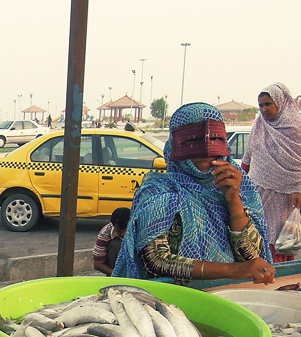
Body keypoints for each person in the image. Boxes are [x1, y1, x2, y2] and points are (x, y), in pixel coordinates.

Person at [113, 102, 275, 284]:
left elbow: (252, 259)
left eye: (215, 139)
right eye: (192, 141)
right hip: (174, 300)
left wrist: (233, 200)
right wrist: (229, 269)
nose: (206, 151)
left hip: (232, 295)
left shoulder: (241, 186)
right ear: (175, 145)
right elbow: (155, 260)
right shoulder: (159, 191)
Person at [242, 82, 301, 263]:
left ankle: (280, 271)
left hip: (285, 193)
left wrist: (297, 189)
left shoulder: (294, 127)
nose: (264, 109)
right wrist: (241, 179)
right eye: (261, 105)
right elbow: (249, 154)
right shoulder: (259, 124)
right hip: (258, 190)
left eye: (268, 104)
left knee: (280, 238)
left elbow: (298, 161)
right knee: (257, 234)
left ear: (280, 102)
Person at [93, 207, 131, 275]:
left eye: (126, 230)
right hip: (115, 269)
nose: (123, 234)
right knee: (116, 244)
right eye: (119, 231)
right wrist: (116, 275)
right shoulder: (105, 233)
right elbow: (97, 264)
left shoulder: (139, 229)